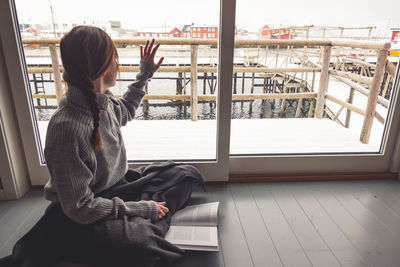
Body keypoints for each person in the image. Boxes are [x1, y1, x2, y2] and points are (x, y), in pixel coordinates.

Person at [0, 25, 205, 267]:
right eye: (114, 59)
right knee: (144, 247)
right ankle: (145, 220)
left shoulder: (102, 102)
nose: (118, 65)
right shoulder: (66, 128)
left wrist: (145, 74)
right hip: (81, 214)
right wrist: (139, 208)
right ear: (99, 67)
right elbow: (80, 208)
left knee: (186, 175)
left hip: (118, 188)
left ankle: (144, 218)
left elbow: (126, 110)